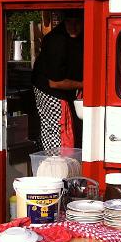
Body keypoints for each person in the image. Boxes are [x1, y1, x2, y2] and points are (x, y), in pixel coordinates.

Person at [32, 10, 84, 150]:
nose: (73, 27)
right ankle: (56, 160)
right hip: (49, 90)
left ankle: (55, 158)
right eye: (69, 22)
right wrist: (84, 84)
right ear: (64, 22)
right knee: (59, 128)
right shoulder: (57, 41)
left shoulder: (79, 39)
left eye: (77, 22)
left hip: (57, 88)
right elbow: (55, 82)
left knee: (56, 127)